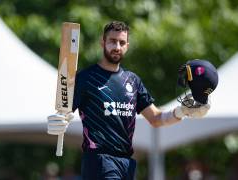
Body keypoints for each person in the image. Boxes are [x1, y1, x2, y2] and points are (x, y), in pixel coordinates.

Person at [47, 21, 211, 180]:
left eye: (122, 42)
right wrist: (59, 120)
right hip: (99, 160)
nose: (117, 47)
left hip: (126, 163)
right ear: (102, 42)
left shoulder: (133, 81)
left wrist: (182, 111)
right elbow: (64, 112)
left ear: (127, 46)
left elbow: (156, 119)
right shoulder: (85, 78)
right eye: (112, 41)